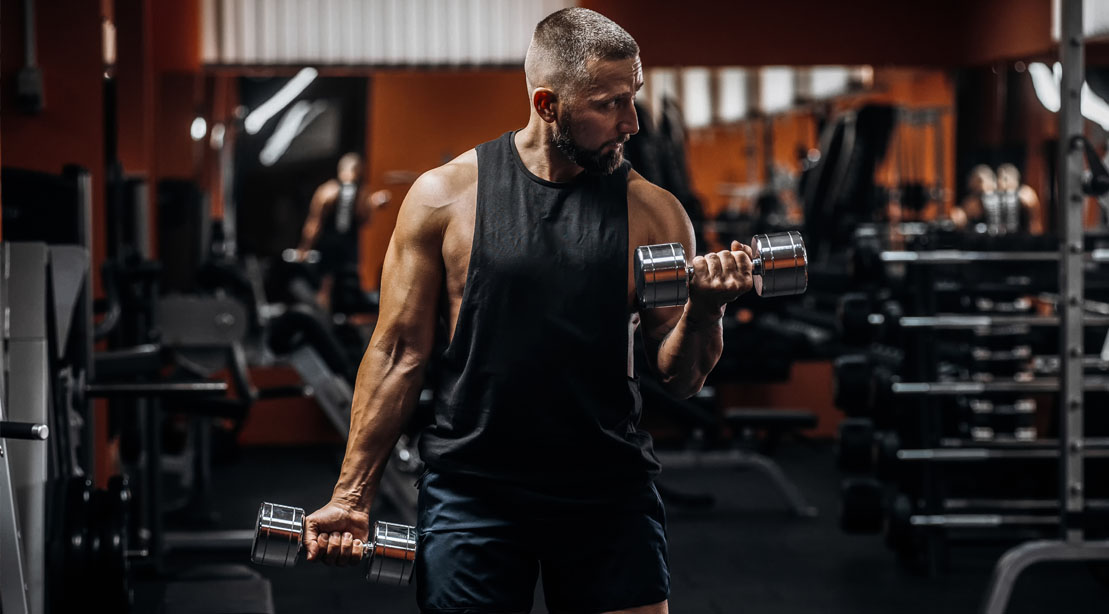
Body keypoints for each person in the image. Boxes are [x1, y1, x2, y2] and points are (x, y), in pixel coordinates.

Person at [302, 9, 754, 614]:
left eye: (634, 98)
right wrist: (352, 494)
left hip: (606, 488)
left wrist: (704, 310)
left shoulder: (655, 213)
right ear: (547, 104)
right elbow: (398, 352)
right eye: (609, 104)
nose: (632, 122)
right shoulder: (446, 197)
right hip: (474, 488)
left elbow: (681, 376)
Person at [295, 152, 390, 310]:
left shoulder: (330, 192)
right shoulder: (352, 194)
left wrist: (304, 248)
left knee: (332, 287)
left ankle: (330, 324)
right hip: (343, 250)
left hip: (337, 250)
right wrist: (304, 249)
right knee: (332, 287)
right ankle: (327, 325)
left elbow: (313, 225)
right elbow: (366, 219)